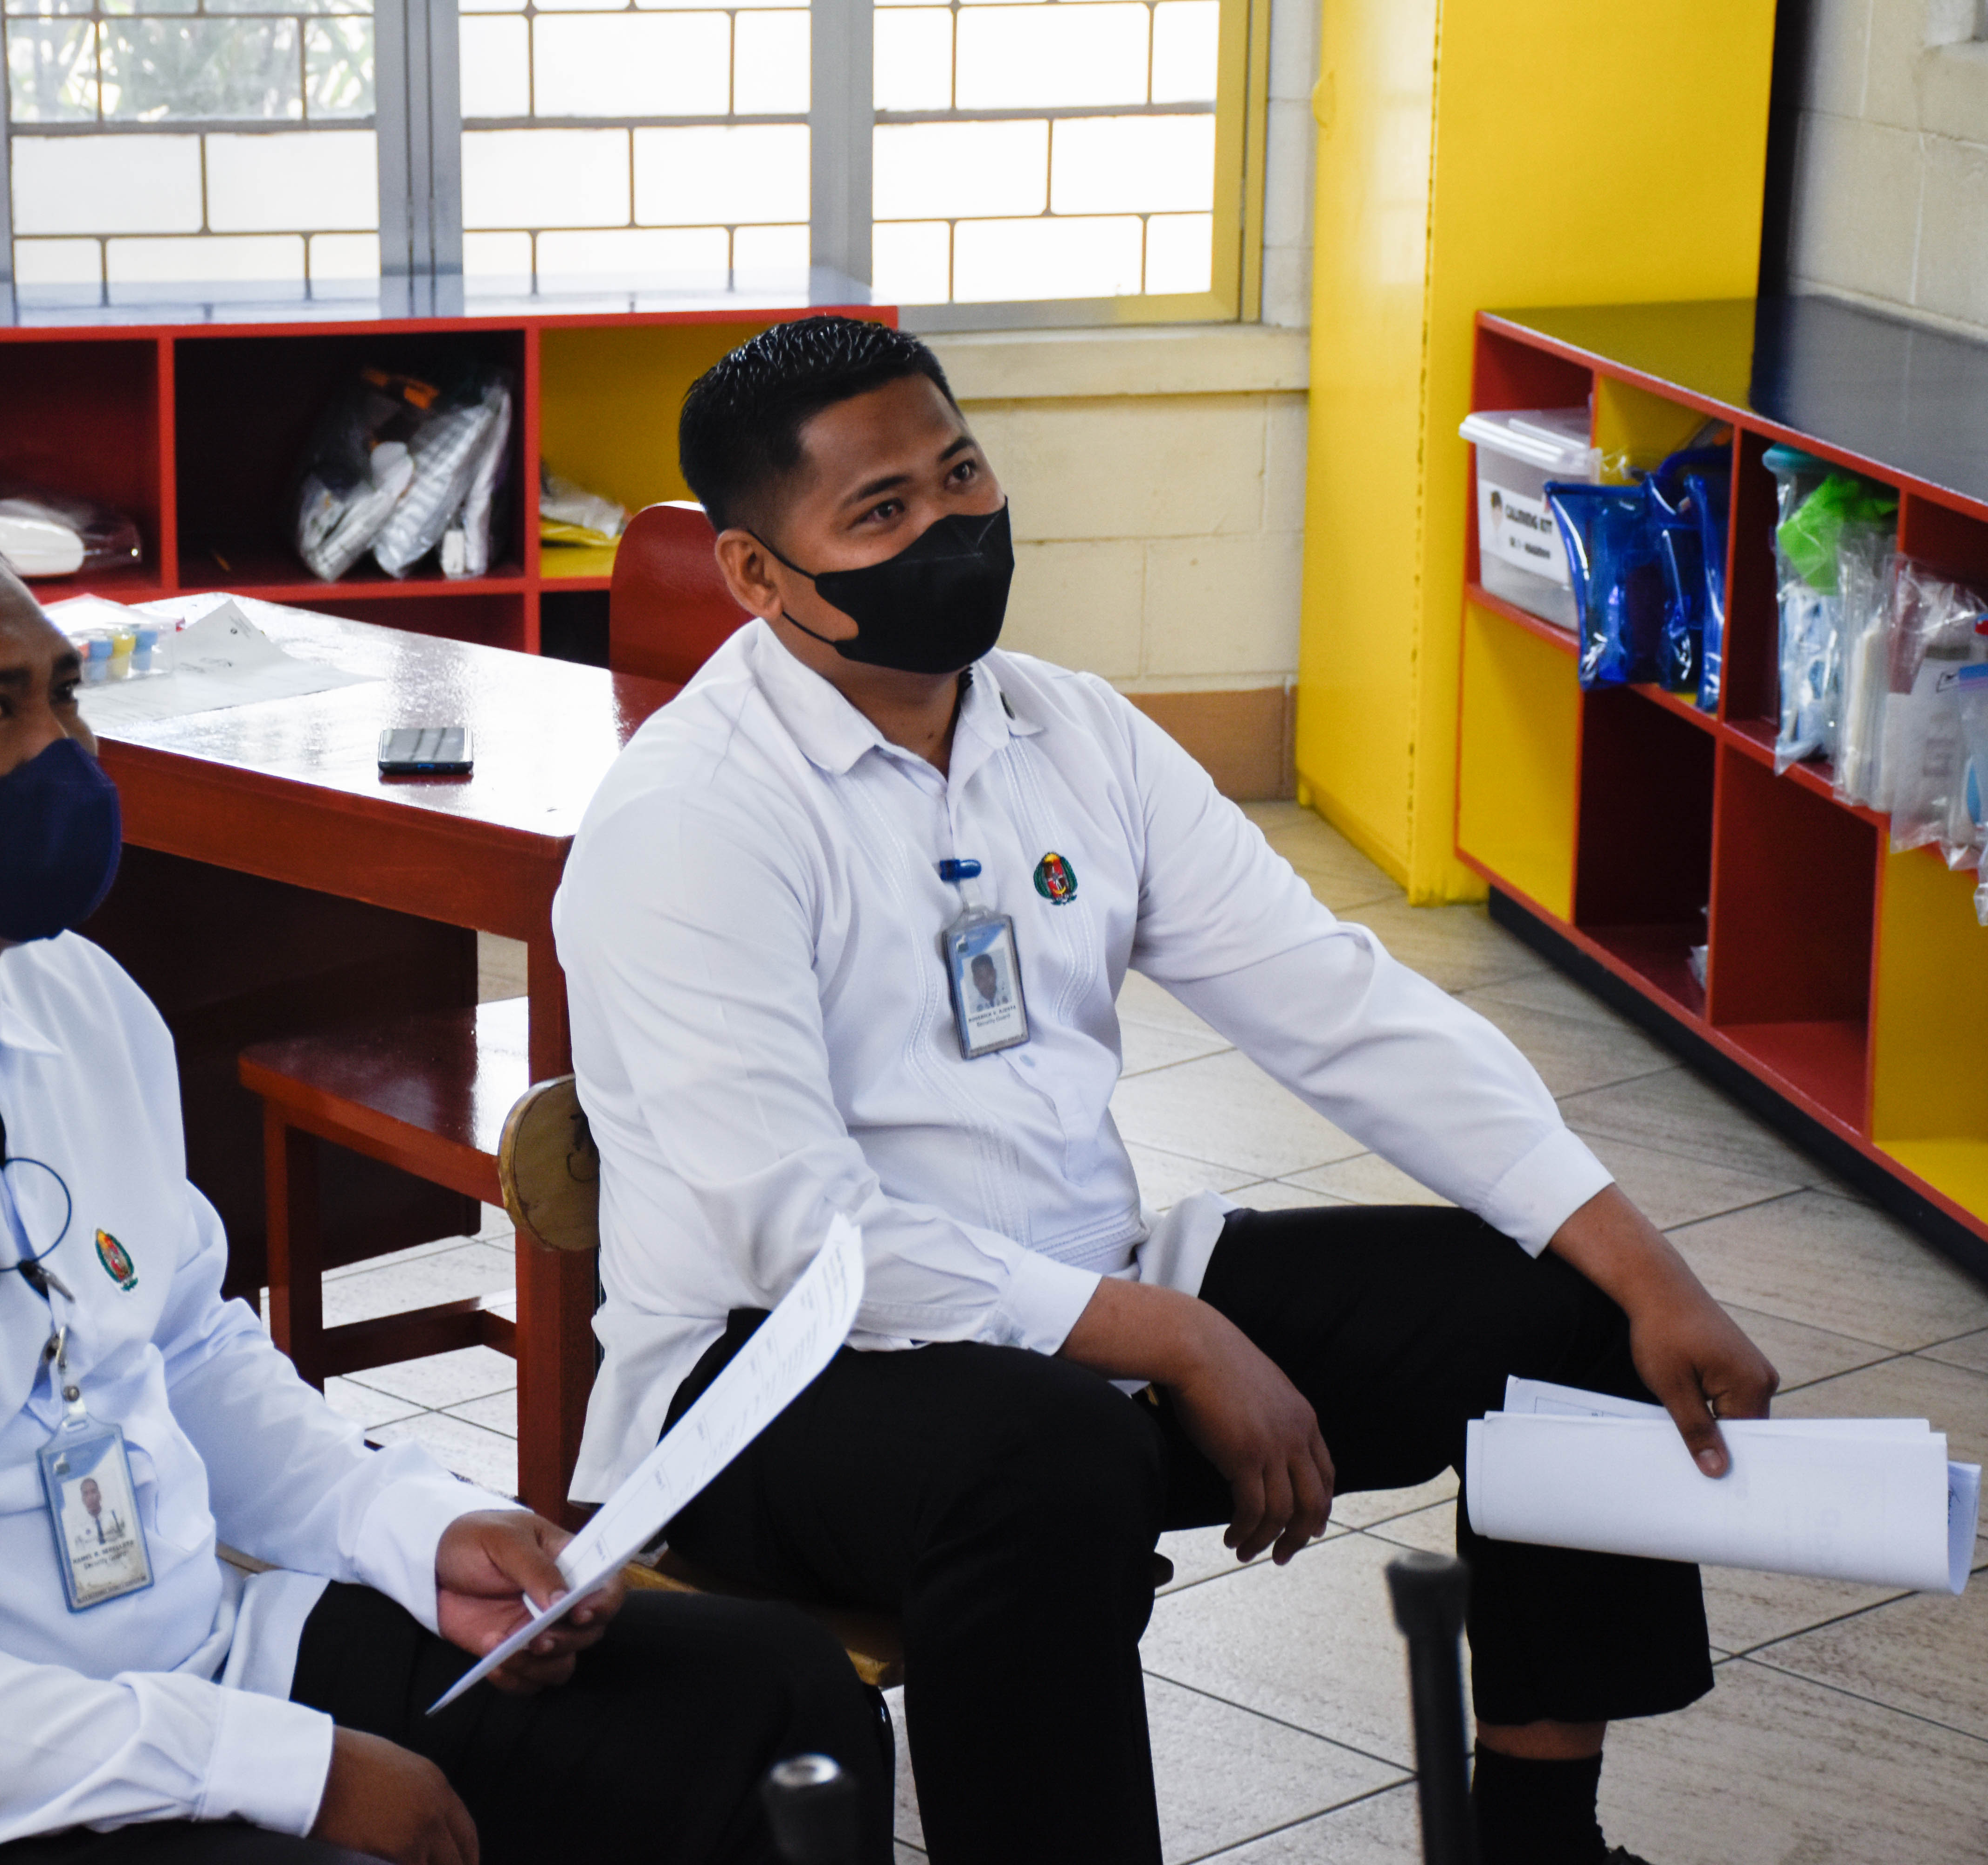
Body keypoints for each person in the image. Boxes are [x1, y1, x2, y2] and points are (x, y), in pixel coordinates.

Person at [550, 318, 1780, 1865]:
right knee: (1048, 1455)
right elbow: (808, 1241)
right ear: (754, 573)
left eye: (961, 473)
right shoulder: (693, 820)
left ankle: (1539, 1844)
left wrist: (1642, 1260)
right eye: (881, 514)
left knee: (1557, 1312)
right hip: (764, 1386)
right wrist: (1180, 1337)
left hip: (1087, 1311)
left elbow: (1339, 1007)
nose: (950, 528)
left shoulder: (1072, 733)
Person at [0, 506, 891, 1865]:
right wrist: (292, 1771)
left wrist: (406, 1526)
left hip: (195, 1667)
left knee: (772, 1703)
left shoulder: (73, 998)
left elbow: (180, 1343)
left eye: (61, 698)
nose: (64, 754)